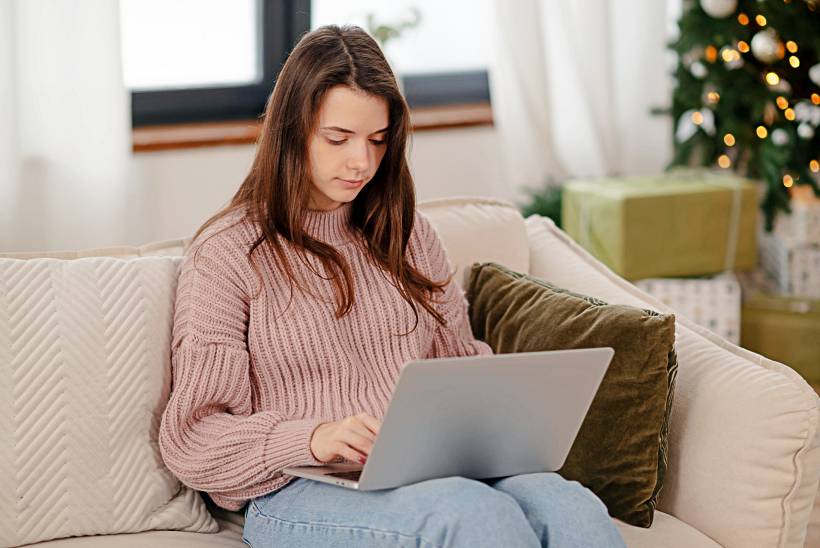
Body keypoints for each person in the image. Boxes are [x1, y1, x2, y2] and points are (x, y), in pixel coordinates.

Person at [158, 24, 626, 548]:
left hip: (427, 469)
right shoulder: (228, 253)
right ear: (292, 130)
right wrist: (315, 437)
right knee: (471, 515)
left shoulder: (408, 235)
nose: (361, 161)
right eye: (338, 139)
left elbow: (456, 370)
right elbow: (194, 438)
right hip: (296, 486)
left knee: (570, 506)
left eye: (377, 140)